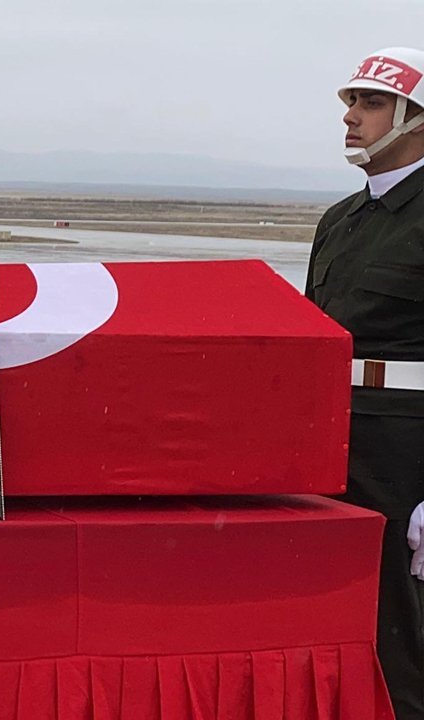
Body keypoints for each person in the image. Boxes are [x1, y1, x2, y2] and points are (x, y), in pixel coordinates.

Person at [306, 46, 424, 720]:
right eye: (351, 102)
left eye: (372, 103)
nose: (351, 117)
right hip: (334, 449)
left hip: (409, 458)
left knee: (404, 652)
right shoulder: (339, 221)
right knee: (338, 635)